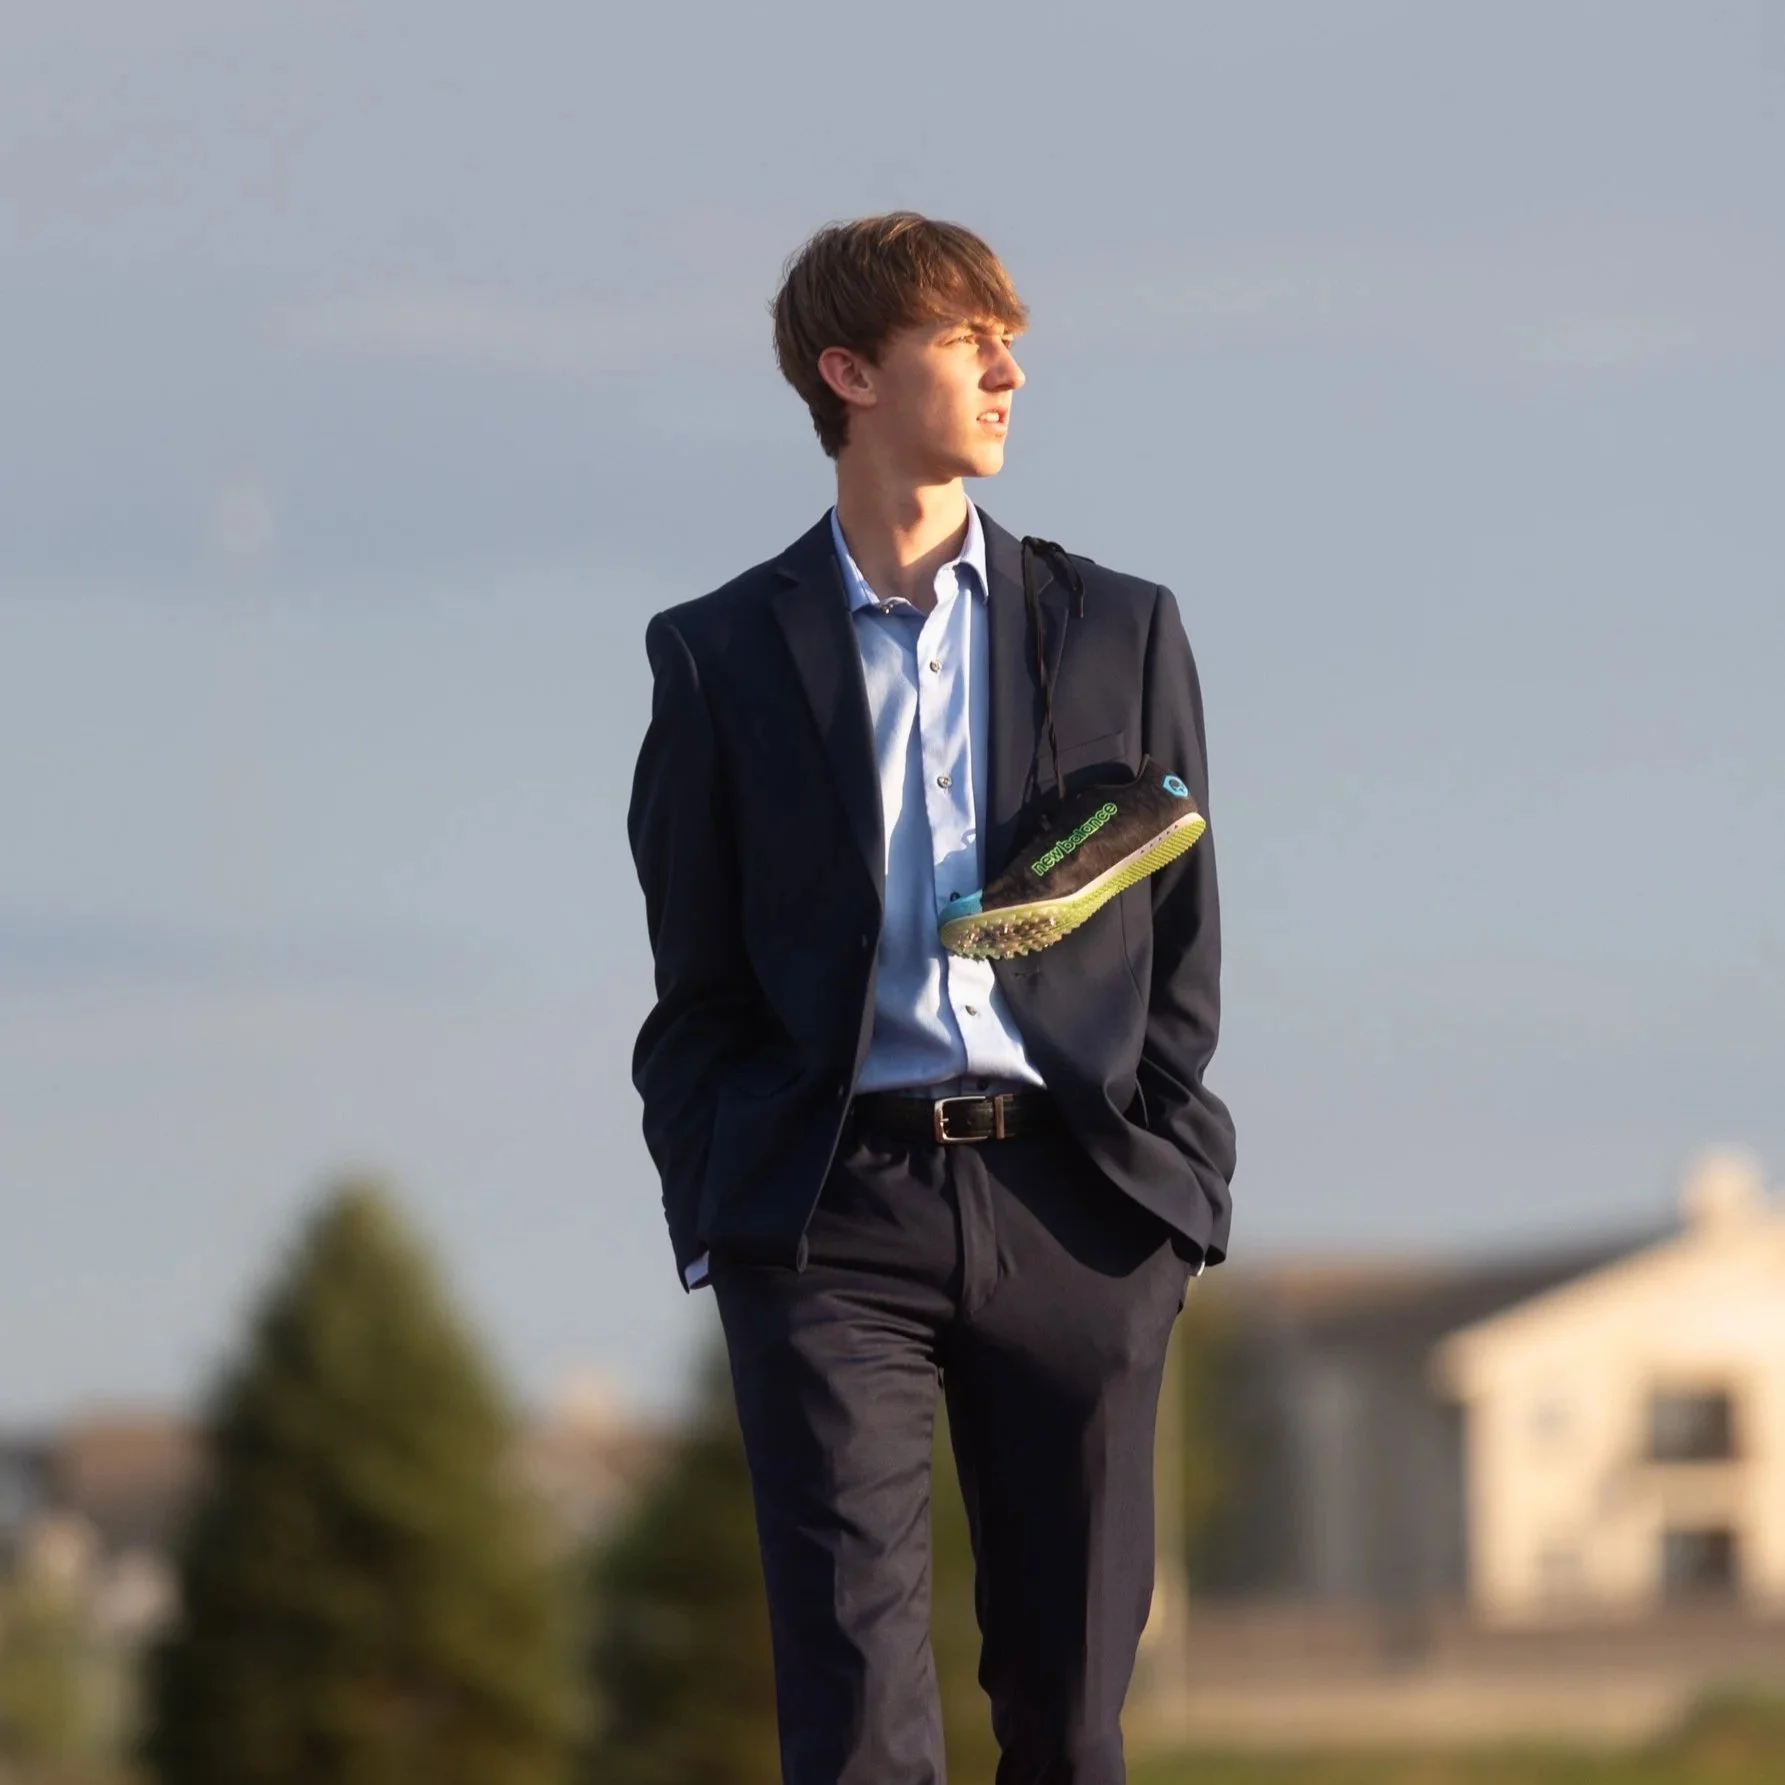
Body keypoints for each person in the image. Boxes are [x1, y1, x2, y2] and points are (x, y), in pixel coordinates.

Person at [627, 211, 1237, 1785]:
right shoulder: (717, 659)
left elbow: (1183, 946)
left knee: (1073, 1718)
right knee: (857, 1722)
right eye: (969, 342)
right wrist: (731, 1209)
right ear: (851, 373)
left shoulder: (1118, 625)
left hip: (1081, 1207)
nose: (1009, 372)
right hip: (838, 1221)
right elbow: (693, 990)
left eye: (1007, 340)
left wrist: (1167, 1205)